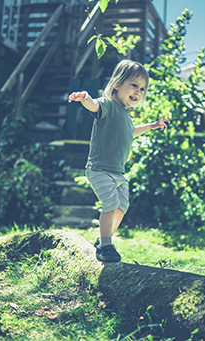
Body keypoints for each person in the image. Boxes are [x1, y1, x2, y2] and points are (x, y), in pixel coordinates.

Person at [68, 59, 169, 262]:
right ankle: (106, 245)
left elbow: (131, 132)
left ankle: (103, 238)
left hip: (118, 172)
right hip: (99, 169)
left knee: (122, 206)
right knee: (110, 204)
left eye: (142, 88)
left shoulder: (126, 115)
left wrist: (152, 126)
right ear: (117, 84)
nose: (138, 92)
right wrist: (85, 98)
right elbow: (94, 106)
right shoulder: (107, 105)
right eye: (134, 85)